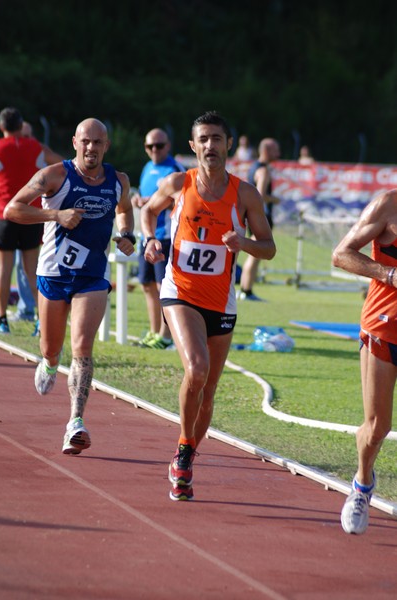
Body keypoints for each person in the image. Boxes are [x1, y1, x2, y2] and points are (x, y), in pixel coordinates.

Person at [141, 111, 276, 500]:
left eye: (217, 139)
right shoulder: (177, 183)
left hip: (221, 299)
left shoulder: (245, 194)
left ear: (228, 144)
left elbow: (268, 247)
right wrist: (151, 240)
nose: (211, 146)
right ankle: (183, 451)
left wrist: (244, 244)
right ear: (192, 146)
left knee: (209, 390)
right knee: (196, 369)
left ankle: (187, 459)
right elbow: (148, 212)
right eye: (204, 139)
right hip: (180, 290)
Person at [4, 117, 136, 454]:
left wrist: (125, 234)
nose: (91, 148)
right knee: (51, 347)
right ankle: (48, 361)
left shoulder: (118, 181)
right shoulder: (54, 176)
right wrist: (55, 216)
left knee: (82, 347)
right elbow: (12, 209)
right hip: (53, 274)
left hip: (92, 276)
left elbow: (124, 210)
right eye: (86, 142)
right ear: (75, 142)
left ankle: (75, 422)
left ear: (107, 146)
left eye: (98, 142)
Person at [332, 189, 397, 534]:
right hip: (384, 328)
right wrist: (389, 275)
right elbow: (341, 255)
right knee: (377, 427)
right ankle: (361, 482)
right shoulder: (388, 205)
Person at [131, 128, 185, 349]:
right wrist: (139, 201)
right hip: (148, 235)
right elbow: (147, 200)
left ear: (168, 145)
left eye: (159, 146)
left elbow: (183, 201)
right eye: (150, 146)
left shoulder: (175, 169)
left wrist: (154, 201)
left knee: (164, 287)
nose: (154, 150)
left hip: (166, 236)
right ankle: (154, 332)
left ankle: (166, 336)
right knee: (146, 284)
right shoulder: (147, 168)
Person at [0, 107, 45, 334]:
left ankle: (2, 320)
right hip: (30, 214)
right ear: (21, 125)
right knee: (32, 270)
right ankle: (40, 320)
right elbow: (59, 164)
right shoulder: (35, 146)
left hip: (3, 214)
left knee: (4, 269)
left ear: (1, 126)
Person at [11, 120, 64, 325]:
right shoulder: (10, 151)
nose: (23, 141)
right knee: (14, 267)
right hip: (11, 213)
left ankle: (37, 315)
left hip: (34, 215)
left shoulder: (39, 150)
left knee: (32, 267)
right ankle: (24, 310)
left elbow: (65, 167)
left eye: (27, 136)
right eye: (21, 136)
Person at [238, 137, 281, 301]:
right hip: (261, 217)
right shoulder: (263, 171)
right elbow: (260, 195)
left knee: (254, 253)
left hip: (252, 215)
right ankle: (246, 290)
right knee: (255, 255)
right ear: (266, 151)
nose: (279, 153)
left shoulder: (254, 167)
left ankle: (245, 289)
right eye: (276, 149)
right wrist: (274, 199)